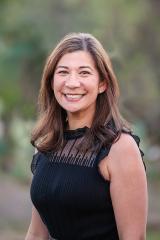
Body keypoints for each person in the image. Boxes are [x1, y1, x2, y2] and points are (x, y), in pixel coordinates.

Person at [25, 32, 148, 240]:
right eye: (63, 72)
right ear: (51, 81)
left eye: (84, 73)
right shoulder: (46, 144)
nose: (72, 83)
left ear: (103, 83)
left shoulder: (120, 148)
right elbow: (36, 234)